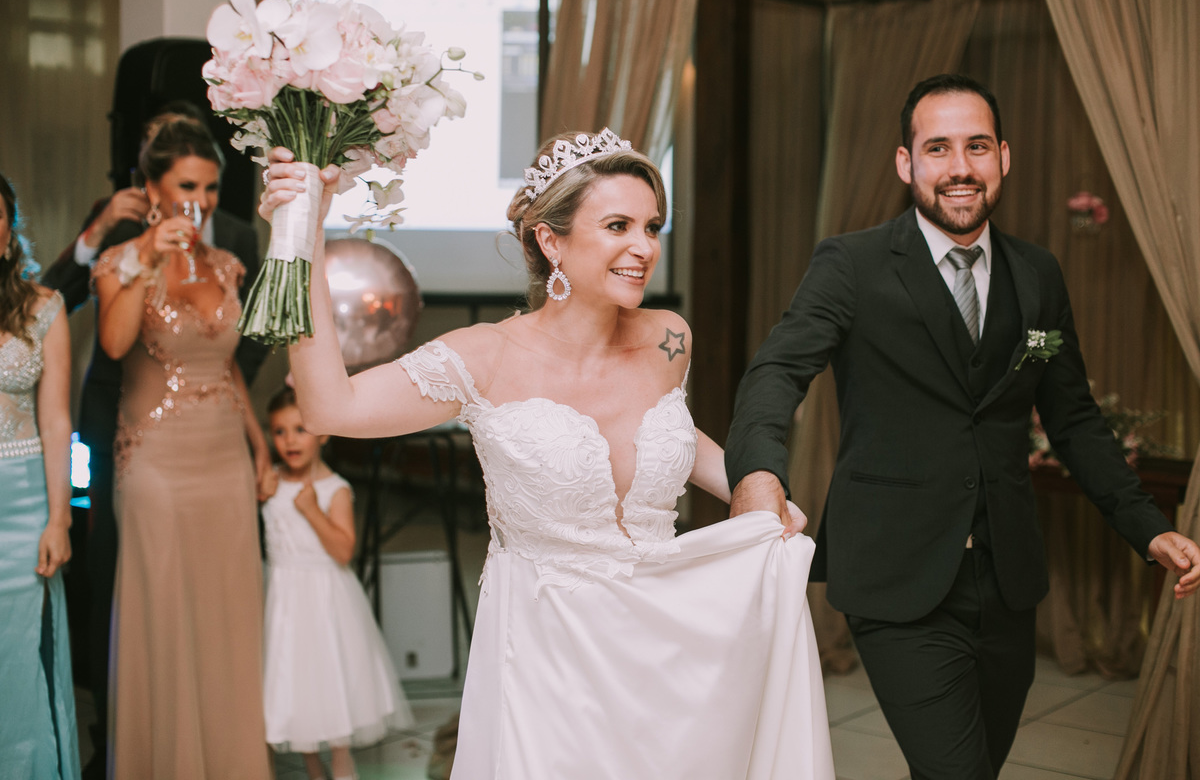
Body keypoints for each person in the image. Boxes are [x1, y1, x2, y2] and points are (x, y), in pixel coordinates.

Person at [261, 129, 835, 779]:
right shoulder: (484, 356)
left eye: (651, 226)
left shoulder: (667, 338)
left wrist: (757, 489)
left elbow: (668, 435)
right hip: (548, 658)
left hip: (664, 640)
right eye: (618, 226)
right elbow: (329, 408)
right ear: (550, 240)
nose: (644, 247)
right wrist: (304, 235)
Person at [724, 74, 1200, 780]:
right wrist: (760, 473)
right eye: (938, 148)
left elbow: (1071, 416)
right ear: (906, 163)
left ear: (1003, 157)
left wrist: (1146, 526)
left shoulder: (1038, 276)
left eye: (976, 146)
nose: (959, 167)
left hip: (1006, 580)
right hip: (896, 576)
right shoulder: (851, 265)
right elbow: (776, 372)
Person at [40, 102, 266, 778]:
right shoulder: (120, 258)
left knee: (227, 614)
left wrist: (258, 445)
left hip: (224, 458)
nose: (200, 200)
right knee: (161, 612)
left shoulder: (228, 261)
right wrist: (142, 255)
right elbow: (113, 344)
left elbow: (230, 363)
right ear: (153, 188)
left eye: (210, 187)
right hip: (156, 462)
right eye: (187, 186)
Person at [260, 385, 414, 780]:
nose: (290, 441)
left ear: (323, 433)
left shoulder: (335, 489)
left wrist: (312, 511)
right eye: (280, 432)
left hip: (325, 601)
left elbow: (344, 551)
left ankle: (342, 762)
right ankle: (313, 768)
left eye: (300, 430)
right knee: (294, 680)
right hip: (283, 600)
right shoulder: (269, 482)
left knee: (329, 676)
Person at [0, 173, 81, 779]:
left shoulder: (44, 308)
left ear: (8, 233)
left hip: (25, 508)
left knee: (22, 659)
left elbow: (56, 422)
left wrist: (59, 517)